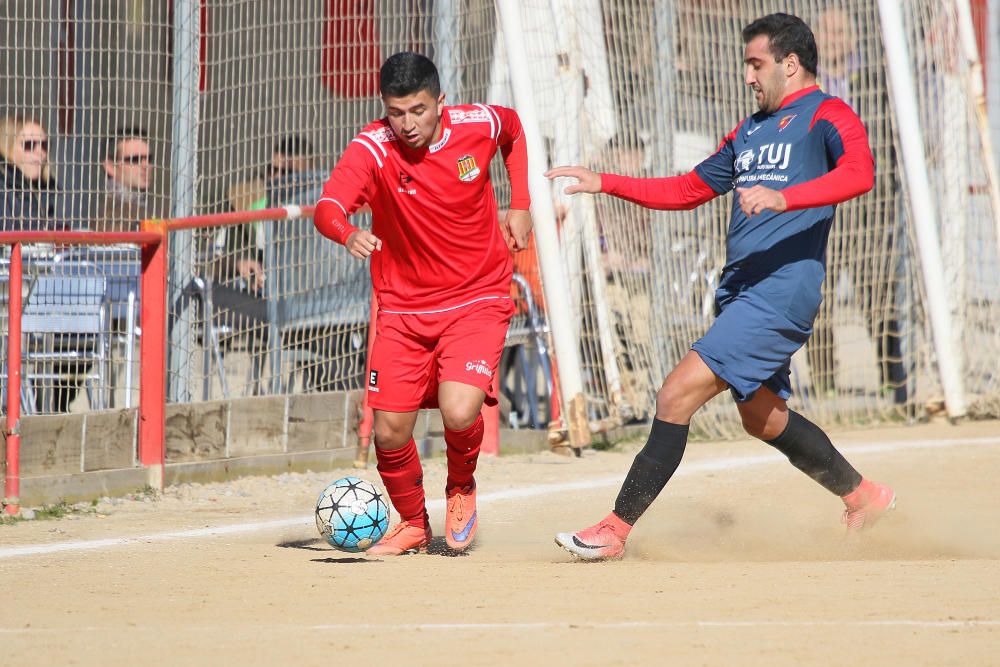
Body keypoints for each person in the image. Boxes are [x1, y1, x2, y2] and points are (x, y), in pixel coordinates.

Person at [546, 13, 895, 561]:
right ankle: (863, 496)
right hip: (740, 291)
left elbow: (860, 174)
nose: (749, 76)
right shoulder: (749, 130)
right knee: (762, 418)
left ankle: (613, 530)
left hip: (782, 290)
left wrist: (786, 198)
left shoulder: (829, 114)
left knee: (675, 391)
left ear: (791, 63)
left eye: (757, 64)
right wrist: (605, 182)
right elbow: (688, 188)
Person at [313, 52, 532, 555]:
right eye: (396, 112)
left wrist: (520, 204)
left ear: (440, 102)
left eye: (418, 110)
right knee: (389, 431)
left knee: (459, 411)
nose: (407, 124)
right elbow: (328, 206)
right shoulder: (372, 147)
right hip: (402, 309)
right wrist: (346, 232)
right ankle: (413, 523)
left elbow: (514, 130)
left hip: (478, 295)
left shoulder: (478, 124)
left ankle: (460, 487)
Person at [808, 7, 908, 405]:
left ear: (852, 37)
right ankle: (824, 384)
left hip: (868, 207)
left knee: (878, 292)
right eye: (827, 32)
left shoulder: (875, 82)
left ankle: (895, 382)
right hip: (822, 207)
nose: (834, 39)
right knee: (819, 293)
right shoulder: (808, 89)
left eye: (840, 31)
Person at [1, 115, 61, 236]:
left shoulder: (45, 187)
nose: (40, 153)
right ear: (7, 147)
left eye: (44, 145)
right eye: (29, 145)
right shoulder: (3, 186)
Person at [93, 126, 161, 232]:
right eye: (135, 159)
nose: (145, 165)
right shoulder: (107, 211)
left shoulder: (150, 206)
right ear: (110, 166)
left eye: (149, 159)